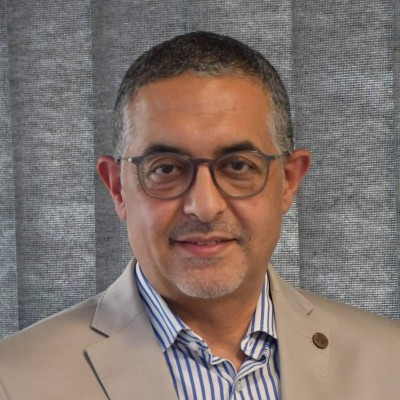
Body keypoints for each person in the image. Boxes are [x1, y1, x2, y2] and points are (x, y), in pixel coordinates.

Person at [0, 31, 399, 400]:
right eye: (166, 169)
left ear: (288, 181)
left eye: (238, 166)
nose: (204, 206)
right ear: (118, 188)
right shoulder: (13, 380)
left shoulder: (390, 361)